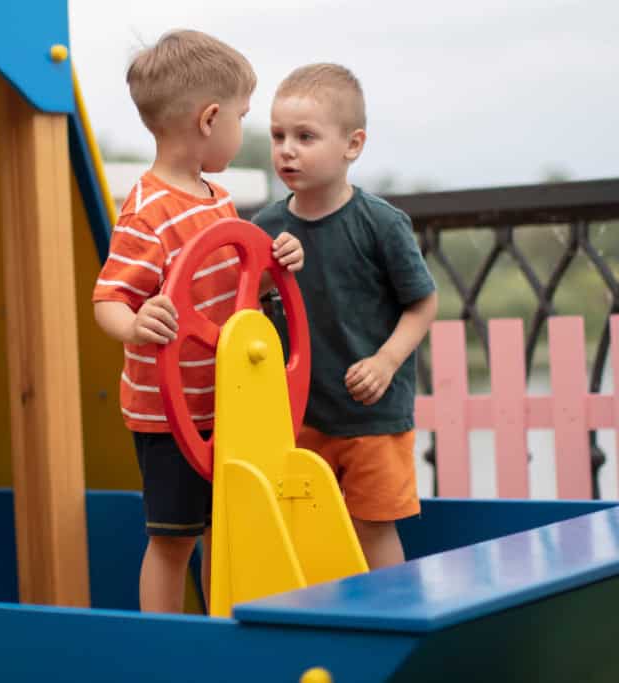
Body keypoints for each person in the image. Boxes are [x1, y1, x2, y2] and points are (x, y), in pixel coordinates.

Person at [92, 30, 304, 613]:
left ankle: (217, 631)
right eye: (242, 115)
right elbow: (109, 298)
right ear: (210, 119)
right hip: (171, 413)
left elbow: (228, 290)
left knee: (224, 529)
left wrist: (271, 271)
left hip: (227, 401)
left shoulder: (217, 198)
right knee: (173, 538)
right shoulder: (146, 212)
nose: (244, 129)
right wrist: (136, 324)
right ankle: (163, 648)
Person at [254, 63, 438, 570]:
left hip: (372, 416)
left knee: (374, 528)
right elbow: (243, 309)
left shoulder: (380, 223)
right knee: (303, 531)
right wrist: (267, 277)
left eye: (305, 136)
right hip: (300, 415)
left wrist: (385, 362)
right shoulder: (266, 227)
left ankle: (394, 622)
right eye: (278, 135)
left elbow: (423, 302)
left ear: (352, 145)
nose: (287, 149)